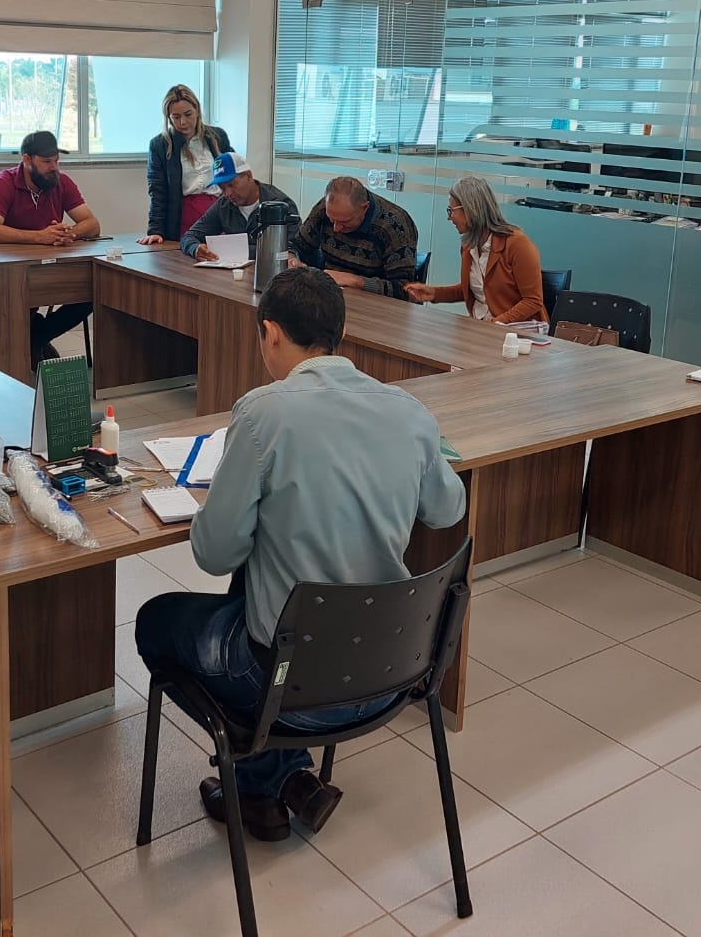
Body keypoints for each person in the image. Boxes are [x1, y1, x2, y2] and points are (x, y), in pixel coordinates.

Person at [134, 269, 466, 841]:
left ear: (269, 332)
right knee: (264, 591)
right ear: (341, 335)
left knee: (156, 621)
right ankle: (280, 782)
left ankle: (265, 778)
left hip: (291, 686)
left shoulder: (263, 414)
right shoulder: (410, 412)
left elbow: (215, 553)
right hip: (390, 670)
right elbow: (447, 509)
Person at [0, 131, 102, 363]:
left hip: (53, 266)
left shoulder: (61, 182)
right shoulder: (3, 183)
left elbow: (92, 224)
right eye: (46, 162)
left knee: (94, 288)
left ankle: (37, 336)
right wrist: (39, 237)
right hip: (13, 271)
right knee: (18, 304)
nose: (53, 167)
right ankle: (35, 338)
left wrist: (68, 233)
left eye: (56, 160)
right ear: (27, 159)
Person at [405, 176, 548, 324]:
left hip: (516, 331)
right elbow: (475, 290)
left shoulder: (518, 244)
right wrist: (434, 293)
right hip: (481, 326)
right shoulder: (468, 245)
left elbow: (533, 301)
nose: (449, 218)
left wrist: (495, 324)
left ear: (470, 209)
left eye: (451, 210)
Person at [291, 175, 420, 299]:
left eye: (345, 222)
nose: (336, 228)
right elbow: (298, 244)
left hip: (376, 304)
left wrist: (356, 281)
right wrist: (291, 258)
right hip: (332, 295)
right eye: (331, 220)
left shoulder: (395, 226)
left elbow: (406, 290)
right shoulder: (325, 208)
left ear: (365, 208)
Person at [140, 85, 232, 246]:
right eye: (176, 117)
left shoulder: (218, 136)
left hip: (220, 213)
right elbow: (157, 191)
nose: (183, 122)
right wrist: (155, 230)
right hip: (185, 217)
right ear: (169, 118)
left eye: (188, 114)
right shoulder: (160, 145)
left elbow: (234, 176)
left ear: (197, 110)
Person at [181, 153, 300, 264]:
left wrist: (233, 250)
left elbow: (294, 248)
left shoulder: (280, 205)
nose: (227, 193)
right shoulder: (223, 205)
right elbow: (189, 236)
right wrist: (195, 249)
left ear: (248, 176)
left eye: (231, 185)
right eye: (222, 188)